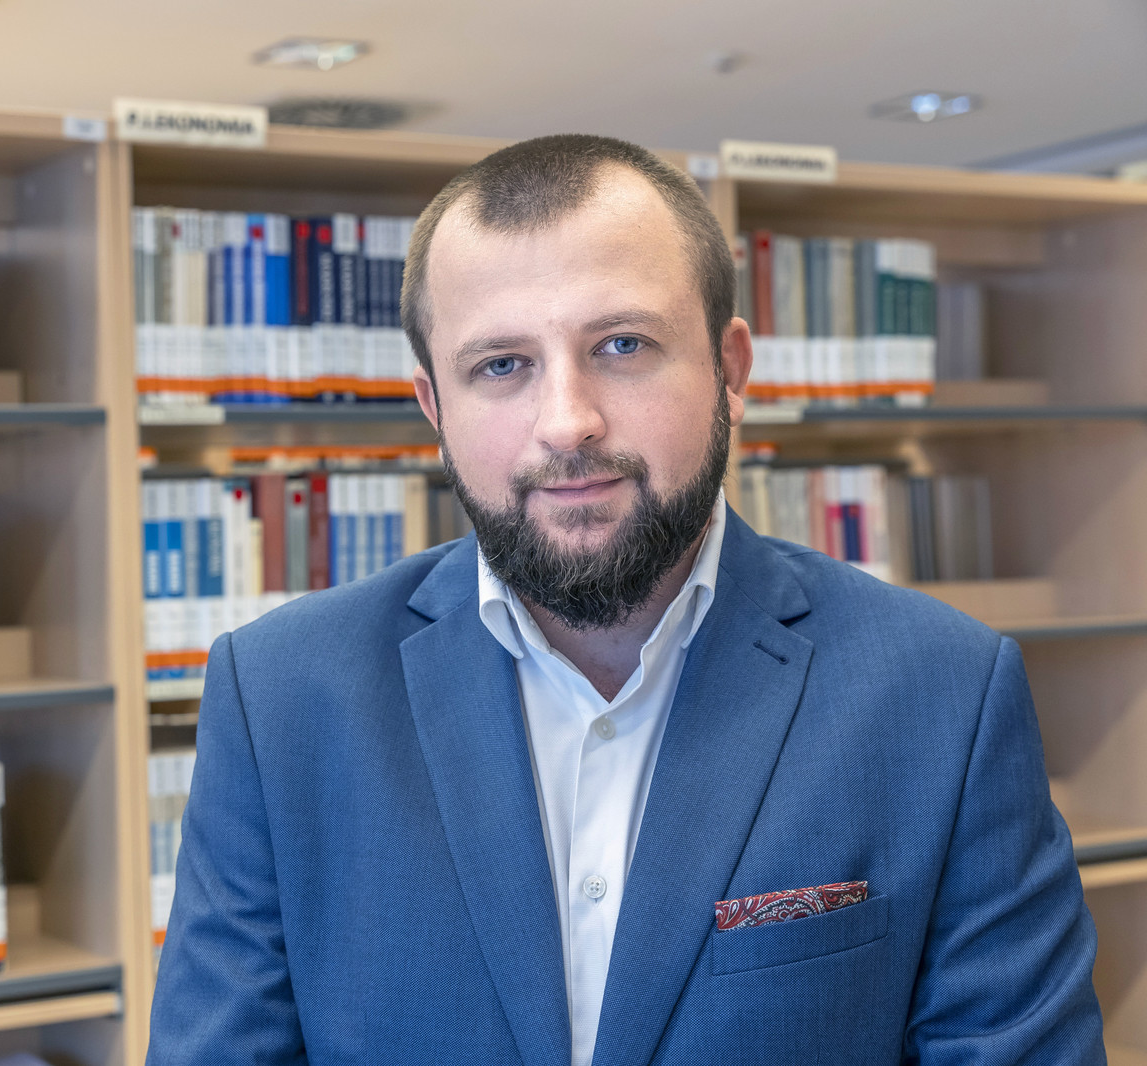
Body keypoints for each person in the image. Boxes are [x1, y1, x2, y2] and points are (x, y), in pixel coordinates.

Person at [147, 134, 1104, 1065]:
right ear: (434, 405)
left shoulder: (945, 694)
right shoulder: (279, 698)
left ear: (731, 371)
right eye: (501, 365)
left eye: (621, 344)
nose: (568, 422)